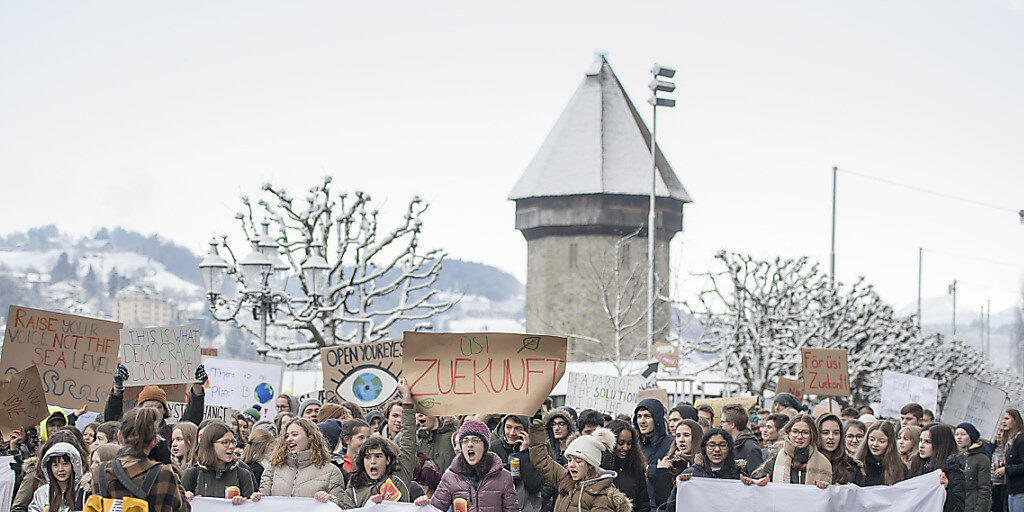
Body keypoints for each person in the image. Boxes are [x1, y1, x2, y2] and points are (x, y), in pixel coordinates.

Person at [104, 363, 207, 464]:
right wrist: (118, 388)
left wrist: (197, 387)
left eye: (158, 407)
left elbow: (191, 421)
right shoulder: (131, 432)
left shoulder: (173, 432)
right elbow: (112, 422)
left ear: (165, 411)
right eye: (148, 407)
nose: (153, 411)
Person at [91, 407, 188, 512]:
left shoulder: (100, 471)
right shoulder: (163, 474)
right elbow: (184, 508)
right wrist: (167, 465)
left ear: (119, 436)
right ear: (154, 442)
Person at [340, 378, 419, 507]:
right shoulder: (354, 486)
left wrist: (407, 400)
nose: (372, 461)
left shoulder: (399, 475)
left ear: (388, 459)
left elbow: (408, 439)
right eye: (367, 457)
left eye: (378, 456)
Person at [527, 416, 631, 512]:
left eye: (578, 461)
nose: (571, 465)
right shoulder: (565, 479)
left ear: (591, 465)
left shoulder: (602, 497)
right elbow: (540, 458)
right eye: (569, 459)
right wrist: (536, 423)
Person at [417, 420, 519, 512]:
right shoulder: (450, 476)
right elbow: (436, 508)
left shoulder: (504, 477)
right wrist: (425, 504)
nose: (470, 444)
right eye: (465, 441)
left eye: (475, 440)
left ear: (485, 446)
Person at [253, 416, 345, 505]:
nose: (289, 439)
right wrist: (257, 498)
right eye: (286, 436)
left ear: (310, 438)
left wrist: (329, 499)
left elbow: (339, 506)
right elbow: (264, 499)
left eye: (294, 434)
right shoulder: (273, 468)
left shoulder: (331, 472)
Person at [182, 421, 255, 503]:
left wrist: (247, 501)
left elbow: (250, 507)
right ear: (210, 444)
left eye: (233, 442)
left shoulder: (243, 474)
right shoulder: (192, 474)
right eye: (225, 442)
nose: (231, 446)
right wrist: (186, 498)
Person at [752, 414, 831, 486]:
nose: (799, 436)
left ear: (812, 435)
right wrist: (762, 482)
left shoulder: (824, 463)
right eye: (795, 432)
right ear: (788, 433)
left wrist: (824, 486)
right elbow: (758, 482)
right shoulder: (776, 459)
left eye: (805, 432)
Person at [489, 414, 544, 512]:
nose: (512, 433)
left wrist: (523, 454)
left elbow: (534, 486)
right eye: (508, 427)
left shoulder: (534, 450)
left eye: (518, 428)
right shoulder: (493, 448)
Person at [911, 423, 966, 512]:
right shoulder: (917, 465)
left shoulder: (954, 474)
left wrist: (946, 490)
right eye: (921, 440)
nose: (921, 445)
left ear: (940, 445)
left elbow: (957, 509)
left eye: (927, 442)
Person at [652, 420, 702, 512]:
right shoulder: (670, 463)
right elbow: (663, 502)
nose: (681, 439)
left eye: (686, 435)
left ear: (696, 438)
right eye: (678, 436)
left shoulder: (704, 464)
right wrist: (661, 472)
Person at [601, 420, 649, 512]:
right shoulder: (599, 470)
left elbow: (643, 503)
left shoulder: (636, 468)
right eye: (621, 443)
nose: (626, 448)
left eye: (629, 443)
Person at [28, 442, 86, 512]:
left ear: (74, 466)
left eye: (65, 464)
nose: (61, 469)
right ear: (49, 468)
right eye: (55, 465)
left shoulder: (82, 492)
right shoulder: (42, 493)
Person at [852, 420, 906, 486]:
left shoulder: (900, 467)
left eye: (881, 441)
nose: (875, 444)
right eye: (872, 439)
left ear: (890, 443)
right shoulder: (856, 464)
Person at [956, 423, 992, 512]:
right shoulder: (953, 456)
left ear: (971, 436)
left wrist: (980, 509)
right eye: (957, 434)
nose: (959, 437)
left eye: (963, 434)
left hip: (972, 506)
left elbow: (984, 488)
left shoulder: (982, 458)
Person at [816, 414, 856, 485]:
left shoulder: (851, 465)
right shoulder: (807, 463)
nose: (831, 437)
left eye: (836, 433)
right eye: (825, 433)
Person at [720, 405, 763, 470]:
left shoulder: (751, 448)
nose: (721, 425)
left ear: (732, 425)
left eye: (723, 422)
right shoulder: (729, 443)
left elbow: (756, 476)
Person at [1004, 409, 1024, 512]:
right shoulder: (1011, 440)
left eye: (1007, 419)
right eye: (1003, 419)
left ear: (1015, 421)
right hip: (1011, 490)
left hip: (1020, 490)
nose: (1004, 422)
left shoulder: (1021, 439)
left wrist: (1006, 470)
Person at [993, 426, 1008, 512]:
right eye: (996, 430)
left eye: (1001, 431)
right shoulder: (993, 447)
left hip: (1002, 485)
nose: (998, 433)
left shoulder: (1007, 448)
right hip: (993, 483)